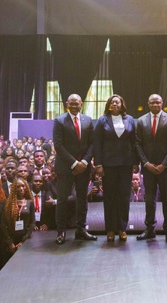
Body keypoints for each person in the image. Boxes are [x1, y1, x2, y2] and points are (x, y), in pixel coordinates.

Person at [52, 94, 97, 245]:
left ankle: (81, 230)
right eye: (71, 103)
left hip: (84, 167)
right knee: (62, 200)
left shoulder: (88, 120)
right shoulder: (59, 121)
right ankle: (61, 231)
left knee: (82, 199)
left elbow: (92, 144)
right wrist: (74, 163)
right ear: (67, 104)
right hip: (66, 167)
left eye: (76, 103)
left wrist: (84, 162)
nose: (74, 106)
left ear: (81, 104)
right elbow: (58, 145)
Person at [135, 94, 167, 244]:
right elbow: (138, 144)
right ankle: (150, 229)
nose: (155, 105)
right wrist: (146, 163)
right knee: (149, 199)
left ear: (162, 103)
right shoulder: (141, 121)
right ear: (148, 103)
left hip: (164, 168)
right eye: (152, 102)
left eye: (158, 102)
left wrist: (163, 164)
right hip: (148, 168)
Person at [94, 94, 137, 242]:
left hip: (126, 164)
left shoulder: (130, 120)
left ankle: (122, 228)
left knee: (124, 197)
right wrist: (98, 164)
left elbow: (134, 142)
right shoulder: (102, 120)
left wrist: (135, 162)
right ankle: (110, 229)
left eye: (117, 102)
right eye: (112, 102)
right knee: (110, 197)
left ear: (122, 104)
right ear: (109, 105)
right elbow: (97, 143)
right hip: (108, 165)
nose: (115, 104)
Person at [0, 178, 35, 259]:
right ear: (14, 188)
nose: (21, 188)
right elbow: (3, 223)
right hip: (11, 239)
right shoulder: (8, 202)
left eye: (23, 186)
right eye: (18, 187)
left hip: (25, 239)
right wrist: (9, 242)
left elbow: (33, 222)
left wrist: (23, 241)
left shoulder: (30, 202)